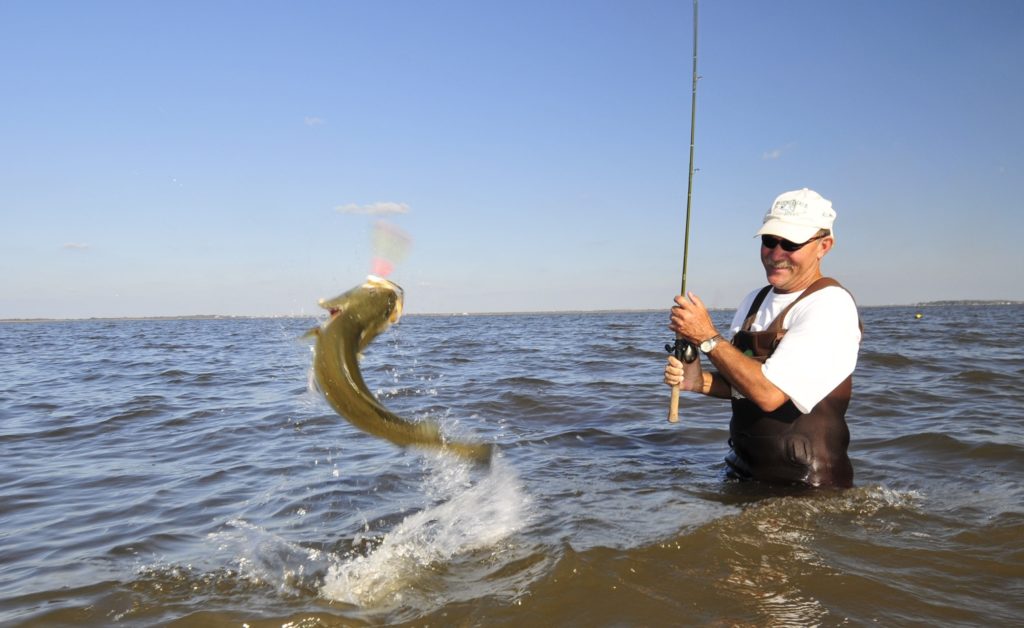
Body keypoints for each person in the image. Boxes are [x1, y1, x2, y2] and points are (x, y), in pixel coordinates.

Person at [664, 188, 861, 488]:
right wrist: (696, 380)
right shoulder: (754, 301)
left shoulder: (830, 305)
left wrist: (707, 337)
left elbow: (770, 394)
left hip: (806, 487)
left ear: (824, 246)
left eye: (791, 243)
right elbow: (741, 385)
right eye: (770, 241)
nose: (776, 253)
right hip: (742, 471)